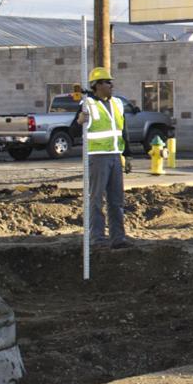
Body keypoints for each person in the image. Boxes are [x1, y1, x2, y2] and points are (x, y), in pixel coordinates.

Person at [77, 67, 133, 250]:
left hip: (115, 156)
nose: (111, 85)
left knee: (116, 200)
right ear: (97, 85)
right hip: (97, 157)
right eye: (108, 82)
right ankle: (98, 238)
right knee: (96, 199)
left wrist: (128, 155)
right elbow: (72, 131)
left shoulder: (117, 103)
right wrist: (79, 121)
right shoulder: (88, 105)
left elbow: (123, 131)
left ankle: (118, 238)